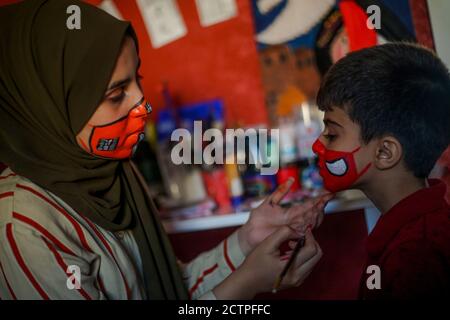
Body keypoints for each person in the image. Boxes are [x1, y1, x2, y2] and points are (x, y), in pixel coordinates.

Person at [0, 0, 330, 300]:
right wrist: (245, 283)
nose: (142, 105)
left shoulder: (115, 174)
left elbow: (168, 286)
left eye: (137, 80)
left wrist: (247, 240)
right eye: (116, 95)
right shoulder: (23, 225)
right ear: (49, 107)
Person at [312, 42, 450, 299]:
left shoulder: (414, 256)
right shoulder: (421, 228)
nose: (317, 145)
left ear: (385, 152)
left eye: (331, 133)